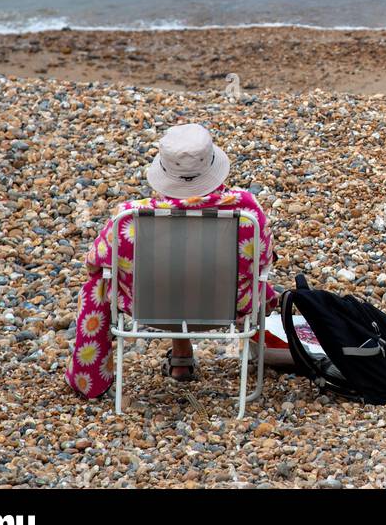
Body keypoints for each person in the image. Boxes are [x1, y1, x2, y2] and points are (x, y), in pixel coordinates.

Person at [65, 123, 277, 398]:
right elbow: (263, 262)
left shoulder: (130, 218)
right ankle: (190, 358)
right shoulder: (247, 211)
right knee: (199, 274)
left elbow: (95, 263)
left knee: (107, 281)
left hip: (152, 309)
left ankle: (91, 376)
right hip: (226, 308)